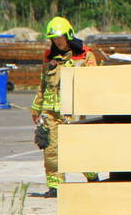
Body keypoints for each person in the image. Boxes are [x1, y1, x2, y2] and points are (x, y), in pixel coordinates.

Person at [31, 17, 97, 197]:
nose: (58, 41)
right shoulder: (49, 57)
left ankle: (93, 178)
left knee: (78, 148)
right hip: (50, 111)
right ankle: (55, 187)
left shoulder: (85, 55)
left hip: (73, 111)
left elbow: (94, 84)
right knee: (50, 149)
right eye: (54, 38)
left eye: (60, 37)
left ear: (69, 35)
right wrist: (36, 108)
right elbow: (43, 83)